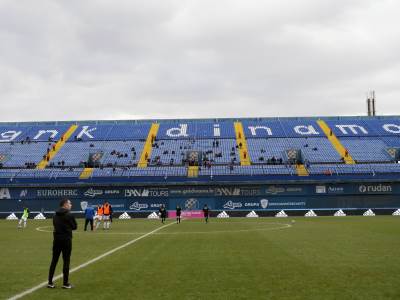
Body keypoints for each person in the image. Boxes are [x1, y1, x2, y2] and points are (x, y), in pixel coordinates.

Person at [48, 199, 77, 289]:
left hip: (56, 239)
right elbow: (75, 227)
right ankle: (65, 283)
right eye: (69, 203)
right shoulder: (69, 214)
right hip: (66, 240)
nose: (71, 205)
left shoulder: (54, 215)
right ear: (65, 205)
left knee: (54, 260)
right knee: (66, 261)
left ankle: (50, 282)